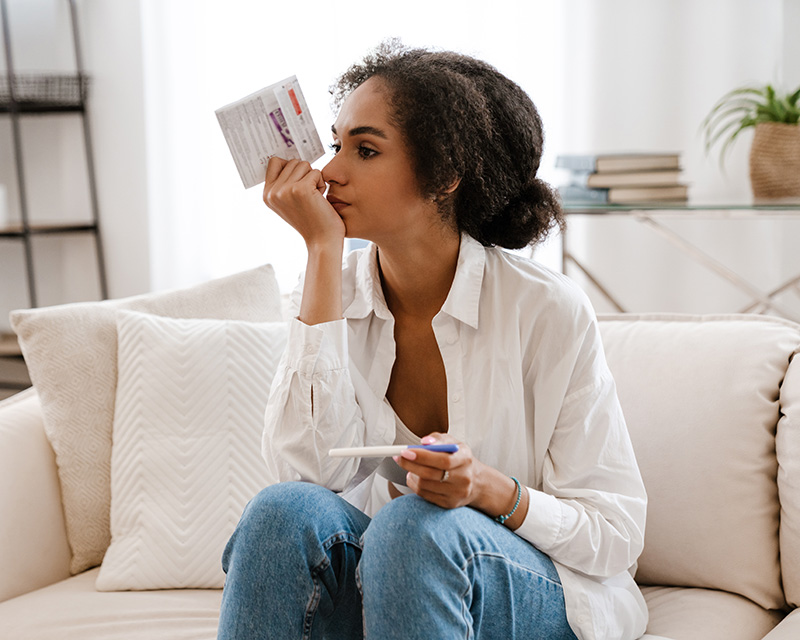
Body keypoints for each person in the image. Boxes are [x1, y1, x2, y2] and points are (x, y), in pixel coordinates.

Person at [217, 40, 648, 640]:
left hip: (525, 585)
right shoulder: (325, 287)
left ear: (444, 176)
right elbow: (305, 471)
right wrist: (321, 251)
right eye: (336, 145)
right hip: (394, 586)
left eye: (365, 150)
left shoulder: (546, 309)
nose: (331, 171)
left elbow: (616, 534)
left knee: (413, 527)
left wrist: (489, 490)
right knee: (279, 512)